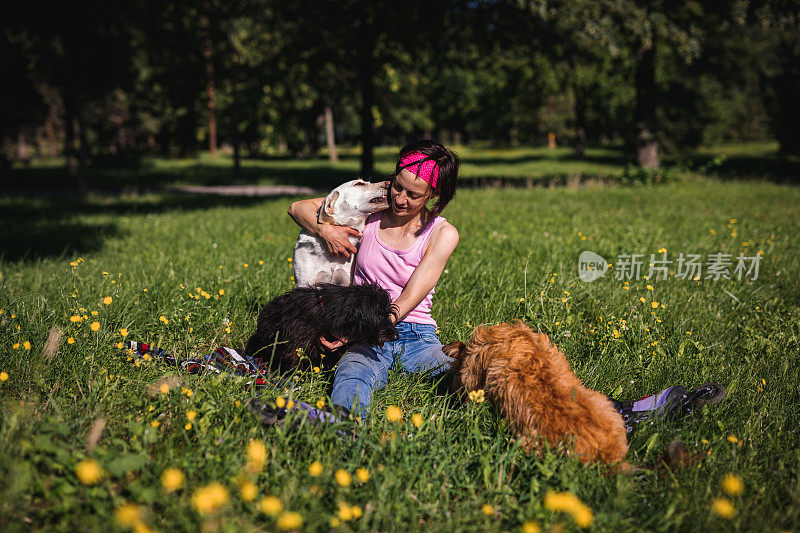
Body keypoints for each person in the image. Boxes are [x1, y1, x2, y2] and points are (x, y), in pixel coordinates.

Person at [287, 140, 460, 417]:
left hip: (415, 335)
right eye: (397, 186)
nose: (400, 199)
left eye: (413, 195)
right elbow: (298, 207)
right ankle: (342, 425)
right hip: (364, 335)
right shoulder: (372, 214)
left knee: (464, 370)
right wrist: (327, 231)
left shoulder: (442, 234)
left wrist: (360, 327)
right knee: (352, 374)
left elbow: (407, 300)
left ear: (432, 194)